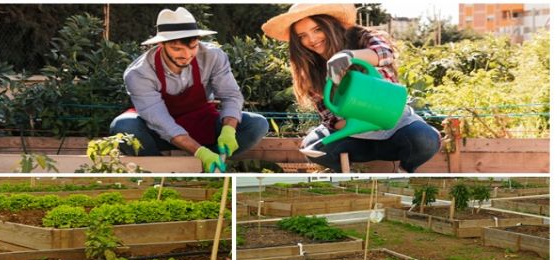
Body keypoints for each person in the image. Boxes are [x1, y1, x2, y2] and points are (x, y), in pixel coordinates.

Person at [262, 4, 440, 173]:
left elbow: (385, 54)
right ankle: (347, 172)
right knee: (313, 146)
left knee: (426, 140)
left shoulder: (360, 37)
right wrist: (360, 123)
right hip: (355, 137)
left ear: (330, 24)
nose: (312, 40)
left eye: (317, 29)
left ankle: (405, 169)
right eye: (302, 36)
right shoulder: (310, 68)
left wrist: (348, 56)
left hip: (396, 128)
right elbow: (330, 118)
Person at [110, 7, 268, 172]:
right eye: (177, 49)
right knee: (124, 127)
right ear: (161, 44)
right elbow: (160, 121)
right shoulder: (139, 73)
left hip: (200, 122)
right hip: (157, 131)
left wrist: (228, 129)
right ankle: (161, 171)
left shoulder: (212, 56)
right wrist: (200, 152)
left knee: (257, 124)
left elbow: (230, 95)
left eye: (192, 47)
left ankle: (213, 165)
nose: (186, 55)